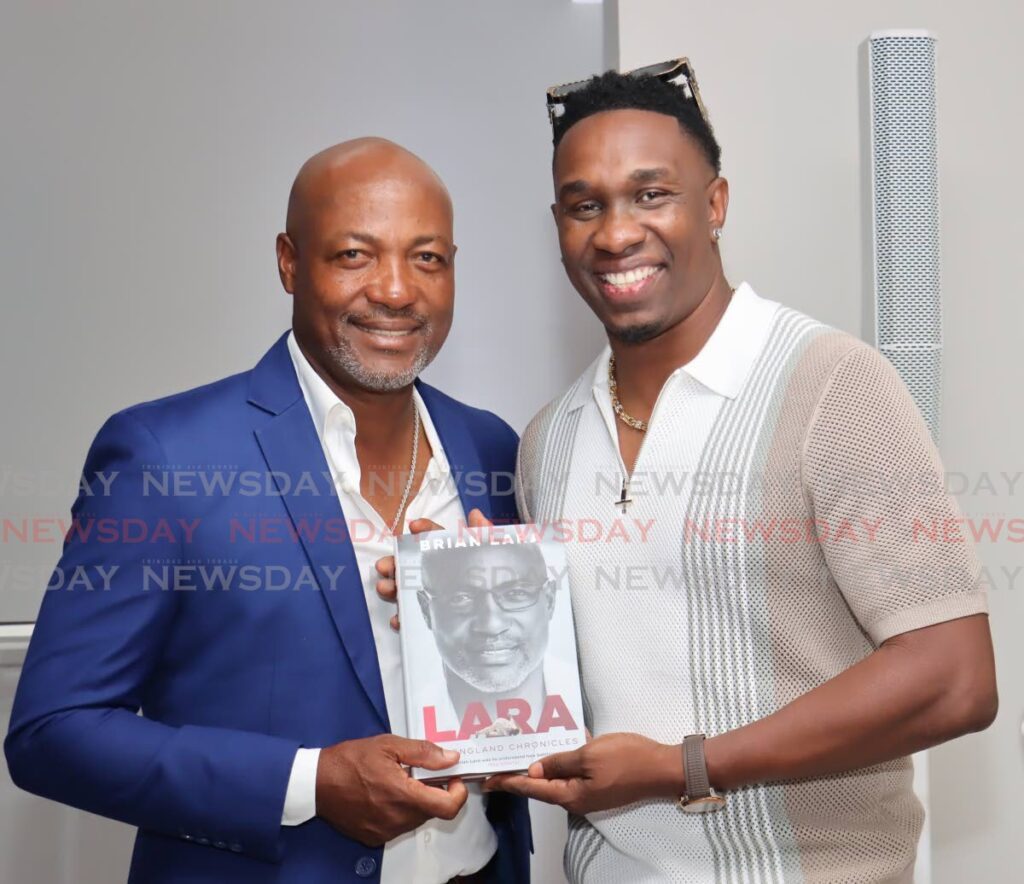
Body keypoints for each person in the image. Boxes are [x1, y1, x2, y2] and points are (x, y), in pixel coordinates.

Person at [486, 67, 998, 883]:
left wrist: (685, 765)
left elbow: (954, 678)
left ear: (715, 204)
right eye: (586, 205)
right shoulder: (548, 439)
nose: (616, 233)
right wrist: (472, 610)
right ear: (558, 225)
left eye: (651, 194)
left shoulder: (831, 384)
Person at [5, 138, 530, 884]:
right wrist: (310, 783)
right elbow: (52, 733)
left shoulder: (489, 446)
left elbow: (517, 684)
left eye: (428, 258)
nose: (395, 290)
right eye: (354, 255)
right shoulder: (165, 455)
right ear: (289, 260)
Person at [417, 540, 566, 732]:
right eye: (461, 598)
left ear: (549, 601)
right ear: (426, 611)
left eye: (515, 593)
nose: (492, 626)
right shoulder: (403, 724)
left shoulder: (601, 705)